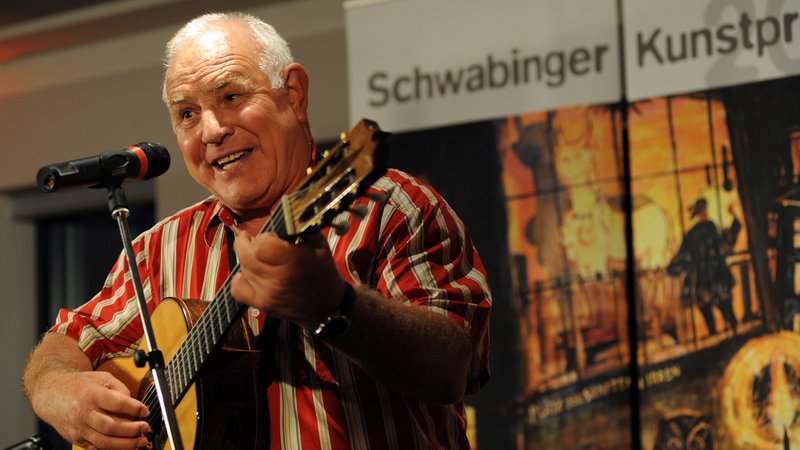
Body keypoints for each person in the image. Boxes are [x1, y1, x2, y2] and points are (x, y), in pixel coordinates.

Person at [22, 12, 491, 450]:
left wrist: (337, 307)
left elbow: (454, 364)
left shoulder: (392, 206)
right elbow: (71, 336)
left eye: (231, 96)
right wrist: (62, 391)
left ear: (295, 93)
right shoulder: (158, 248)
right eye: (187, 114)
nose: (210, 129)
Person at [667, 198, 739, 336]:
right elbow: (728, 243)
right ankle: (732, 331)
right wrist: (735, 221)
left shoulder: (692, 233)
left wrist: (672, 267)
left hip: (703, 281)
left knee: (709, 308)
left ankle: (716, 333)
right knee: (725, 307)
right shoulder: (712, 229)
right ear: (703, 210)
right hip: (717, 277)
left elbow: (683, 257)